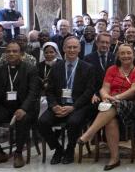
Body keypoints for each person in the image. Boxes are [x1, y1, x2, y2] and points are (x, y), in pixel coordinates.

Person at [75, 42, 135, 170]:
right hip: (110, 103)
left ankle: (89, 133)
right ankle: (114, 158)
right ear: (118, 55)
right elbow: (103, 89)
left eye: (128, 53)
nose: (126, 55)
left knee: (110, 106)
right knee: (110, 121)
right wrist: (106, 96)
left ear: (134, 55)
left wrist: (115, 98)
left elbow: (134, 90)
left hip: (130, 105)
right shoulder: (112, 69)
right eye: (122, 53)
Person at [37, 36, 101, 165]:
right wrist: (54, 105)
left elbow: (88, 91)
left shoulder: (88, 67)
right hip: (59, 105)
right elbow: (49, 90)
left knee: (74, 122)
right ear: (64, 49)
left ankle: (70, 149)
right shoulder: (56, 67)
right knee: (42, 122)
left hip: (78, 106)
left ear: (79, 49)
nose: (72, 50)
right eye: (69, 47)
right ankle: (58, 149)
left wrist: (73, 107)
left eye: (75, 47)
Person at [0, 40, 41, 168]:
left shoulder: (30, 69)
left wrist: (23, 108)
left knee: (22, 119)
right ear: (5, 54)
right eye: (8, 51)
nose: (11, 54)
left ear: (21, 54)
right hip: (4, 108)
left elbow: (33, 93)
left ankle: (18, 153)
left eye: (15, 51)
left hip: (25, 108)